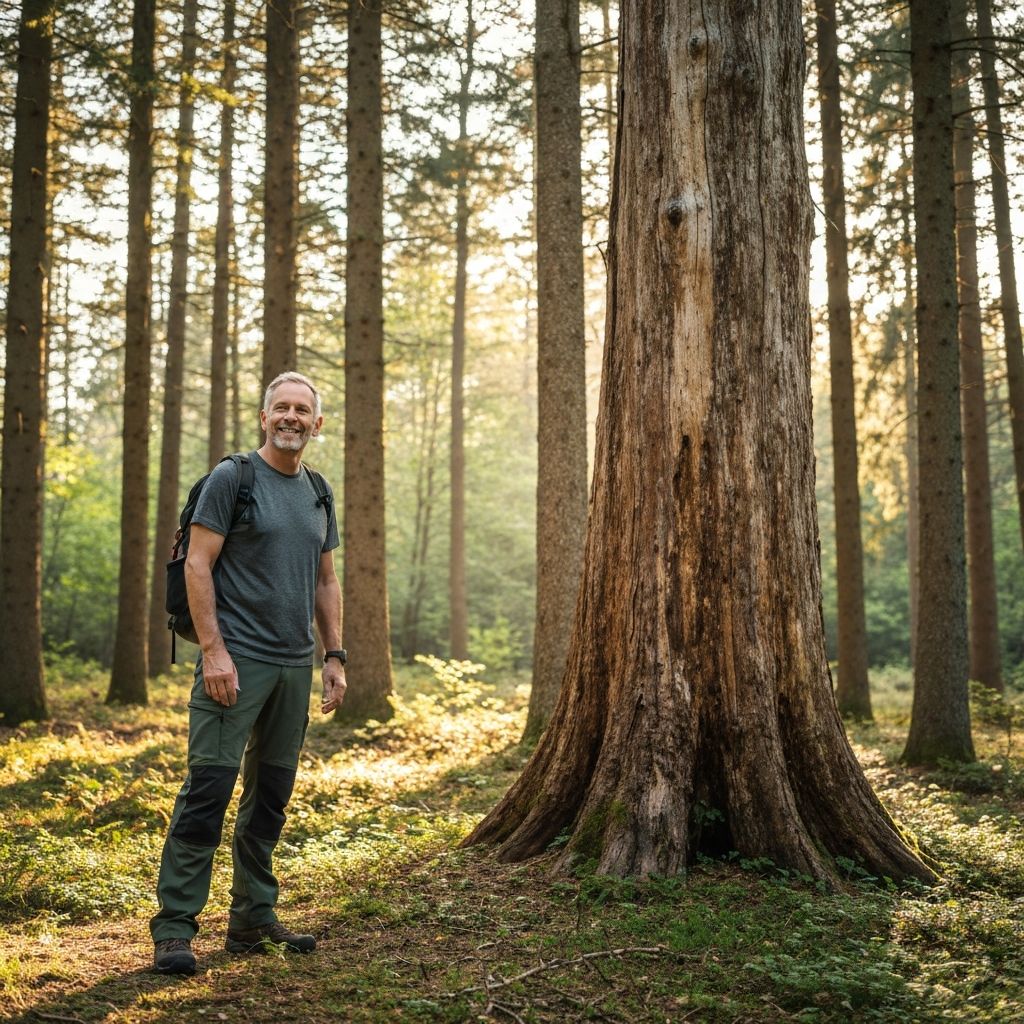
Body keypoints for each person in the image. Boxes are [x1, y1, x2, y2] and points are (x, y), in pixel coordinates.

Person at [151, 371, 347, 976]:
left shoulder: (317, 490)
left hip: (293, 668)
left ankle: (253, 919)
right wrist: (214, 651)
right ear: (265, 418)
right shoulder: (231, 479)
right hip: (235, 664)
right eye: (280, 408)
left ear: (317, 424)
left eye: (302, 410)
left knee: (271, 799)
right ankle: (176, 928)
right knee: (208, 791)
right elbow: (198, 566)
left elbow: (325, 579)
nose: (291, 418)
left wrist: (333, 656)